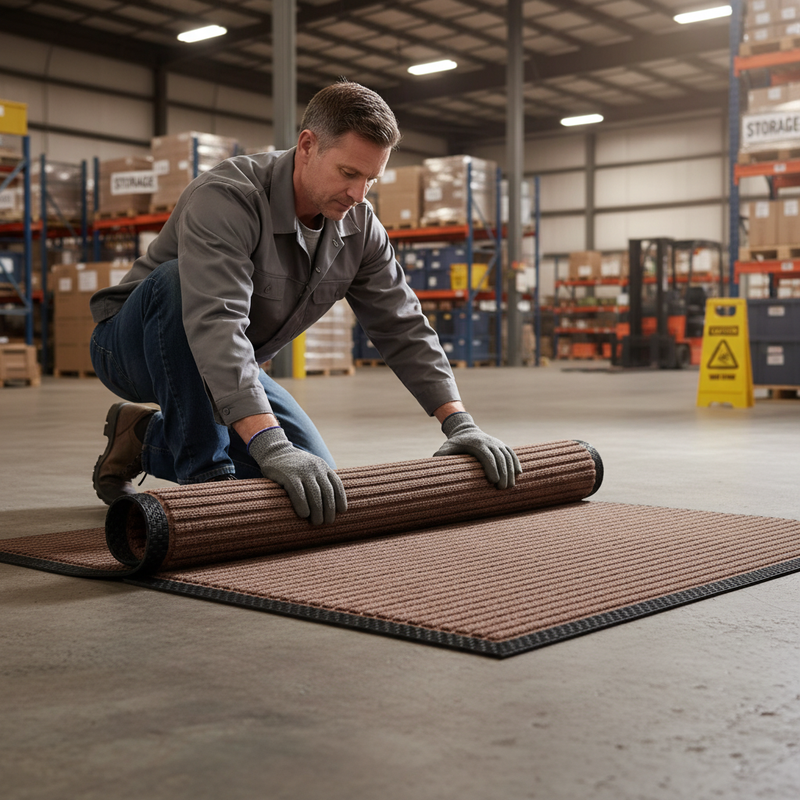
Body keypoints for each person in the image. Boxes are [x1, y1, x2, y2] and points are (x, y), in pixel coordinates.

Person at [89, 80, 521, 525]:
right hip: (131, 347)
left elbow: (402, 324)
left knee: (312, 481)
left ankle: (139, 439)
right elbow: (215, 322)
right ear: (308, 146)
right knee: (179, 281)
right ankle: (208, 481)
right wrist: (268, 442)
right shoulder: (228, 197)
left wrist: (459, 422)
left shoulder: (361, 226)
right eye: (349, 173)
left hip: (232, 361)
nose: (359, 193)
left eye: (371, 179)